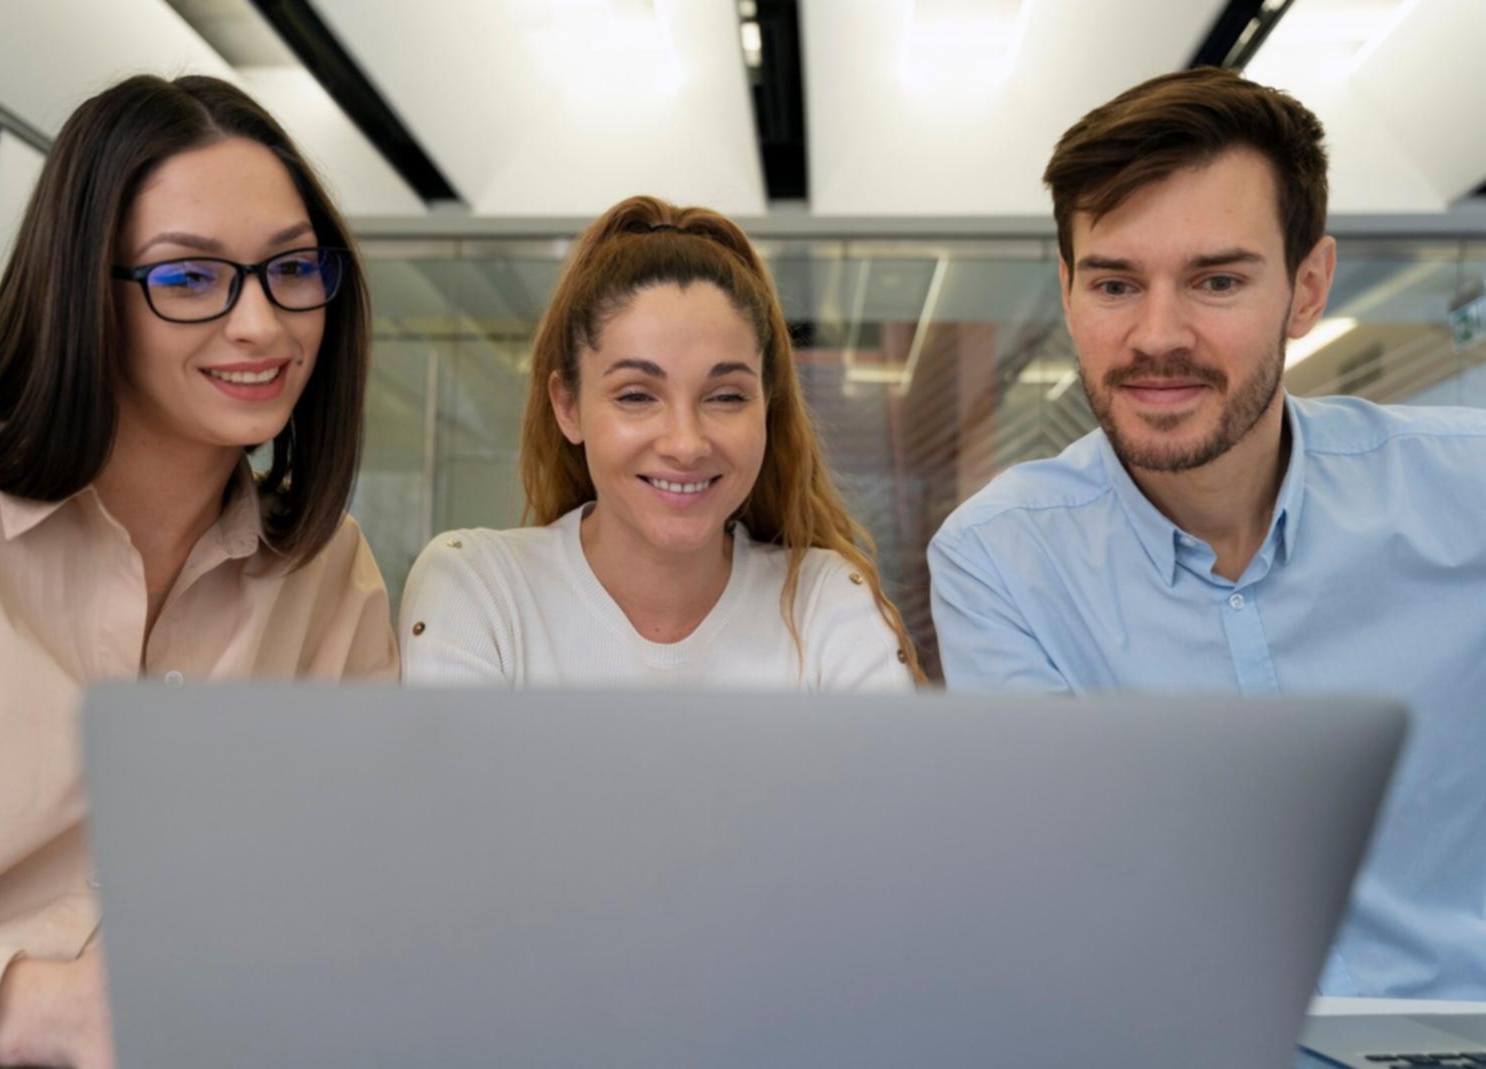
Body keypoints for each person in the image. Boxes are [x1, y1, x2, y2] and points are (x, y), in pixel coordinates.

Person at [928, 66, 1486, 997]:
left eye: (1216, 279)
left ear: (1308, 289)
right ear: (1067, 292)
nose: (1158, 335)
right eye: (1114, 283)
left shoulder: (1469, 492)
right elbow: (1064, 898)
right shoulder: (1003, 561)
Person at [0, 75, 398, 1067]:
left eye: (292, 268)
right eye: (187, 278)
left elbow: (351, 906)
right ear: (83, 289)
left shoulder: (326, 569)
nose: (261, 324)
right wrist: (33, 1008)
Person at [400, 196, 920, 691]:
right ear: (568, 406)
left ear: (769, 405)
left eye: (725, 397)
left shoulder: (825, 601)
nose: (686, 443)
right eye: (635, 395)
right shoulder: (479, 588)